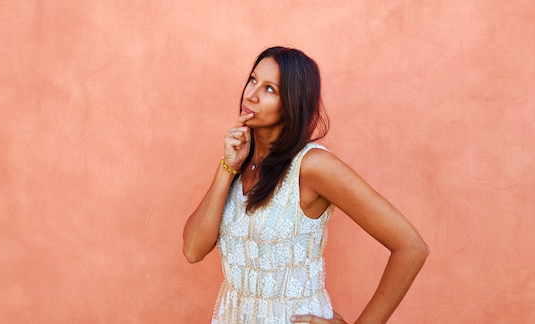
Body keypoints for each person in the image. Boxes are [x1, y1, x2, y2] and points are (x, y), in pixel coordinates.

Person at [183, 46, 429, 324]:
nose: (250, 95)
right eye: (252, 80)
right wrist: (227, 167)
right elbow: (193, 250)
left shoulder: (312, 166)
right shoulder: (241, 163)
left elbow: (411, 247)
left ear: (292, 102)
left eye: (269, 89)